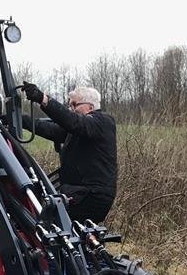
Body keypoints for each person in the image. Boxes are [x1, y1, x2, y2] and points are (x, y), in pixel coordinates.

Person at [20, 83, 117, 223]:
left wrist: (43, 99)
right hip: (79, 193)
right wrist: (23, 120)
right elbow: (52, 130)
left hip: (91, 195)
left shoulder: (101, 122)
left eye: (74, 105)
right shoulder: (81, 129)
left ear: (90, 106)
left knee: (47, 223)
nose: (71, 109)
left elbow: (72, 122)